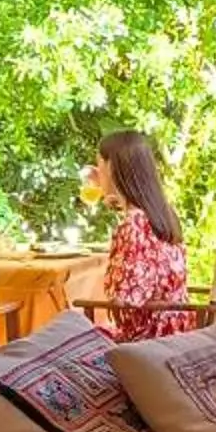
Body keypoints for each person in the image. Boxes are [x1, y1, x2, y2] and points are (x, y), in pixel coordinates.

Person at [81, 131, 194, 341]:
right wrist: (113, 195)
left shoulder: (132, 225)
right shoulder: (163, 214)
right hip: (177, 331)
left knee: (66, 339)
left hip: (147, 339)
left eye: (101, 167)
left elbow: (125, 298)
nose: (98, 175)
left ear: (113, 169)